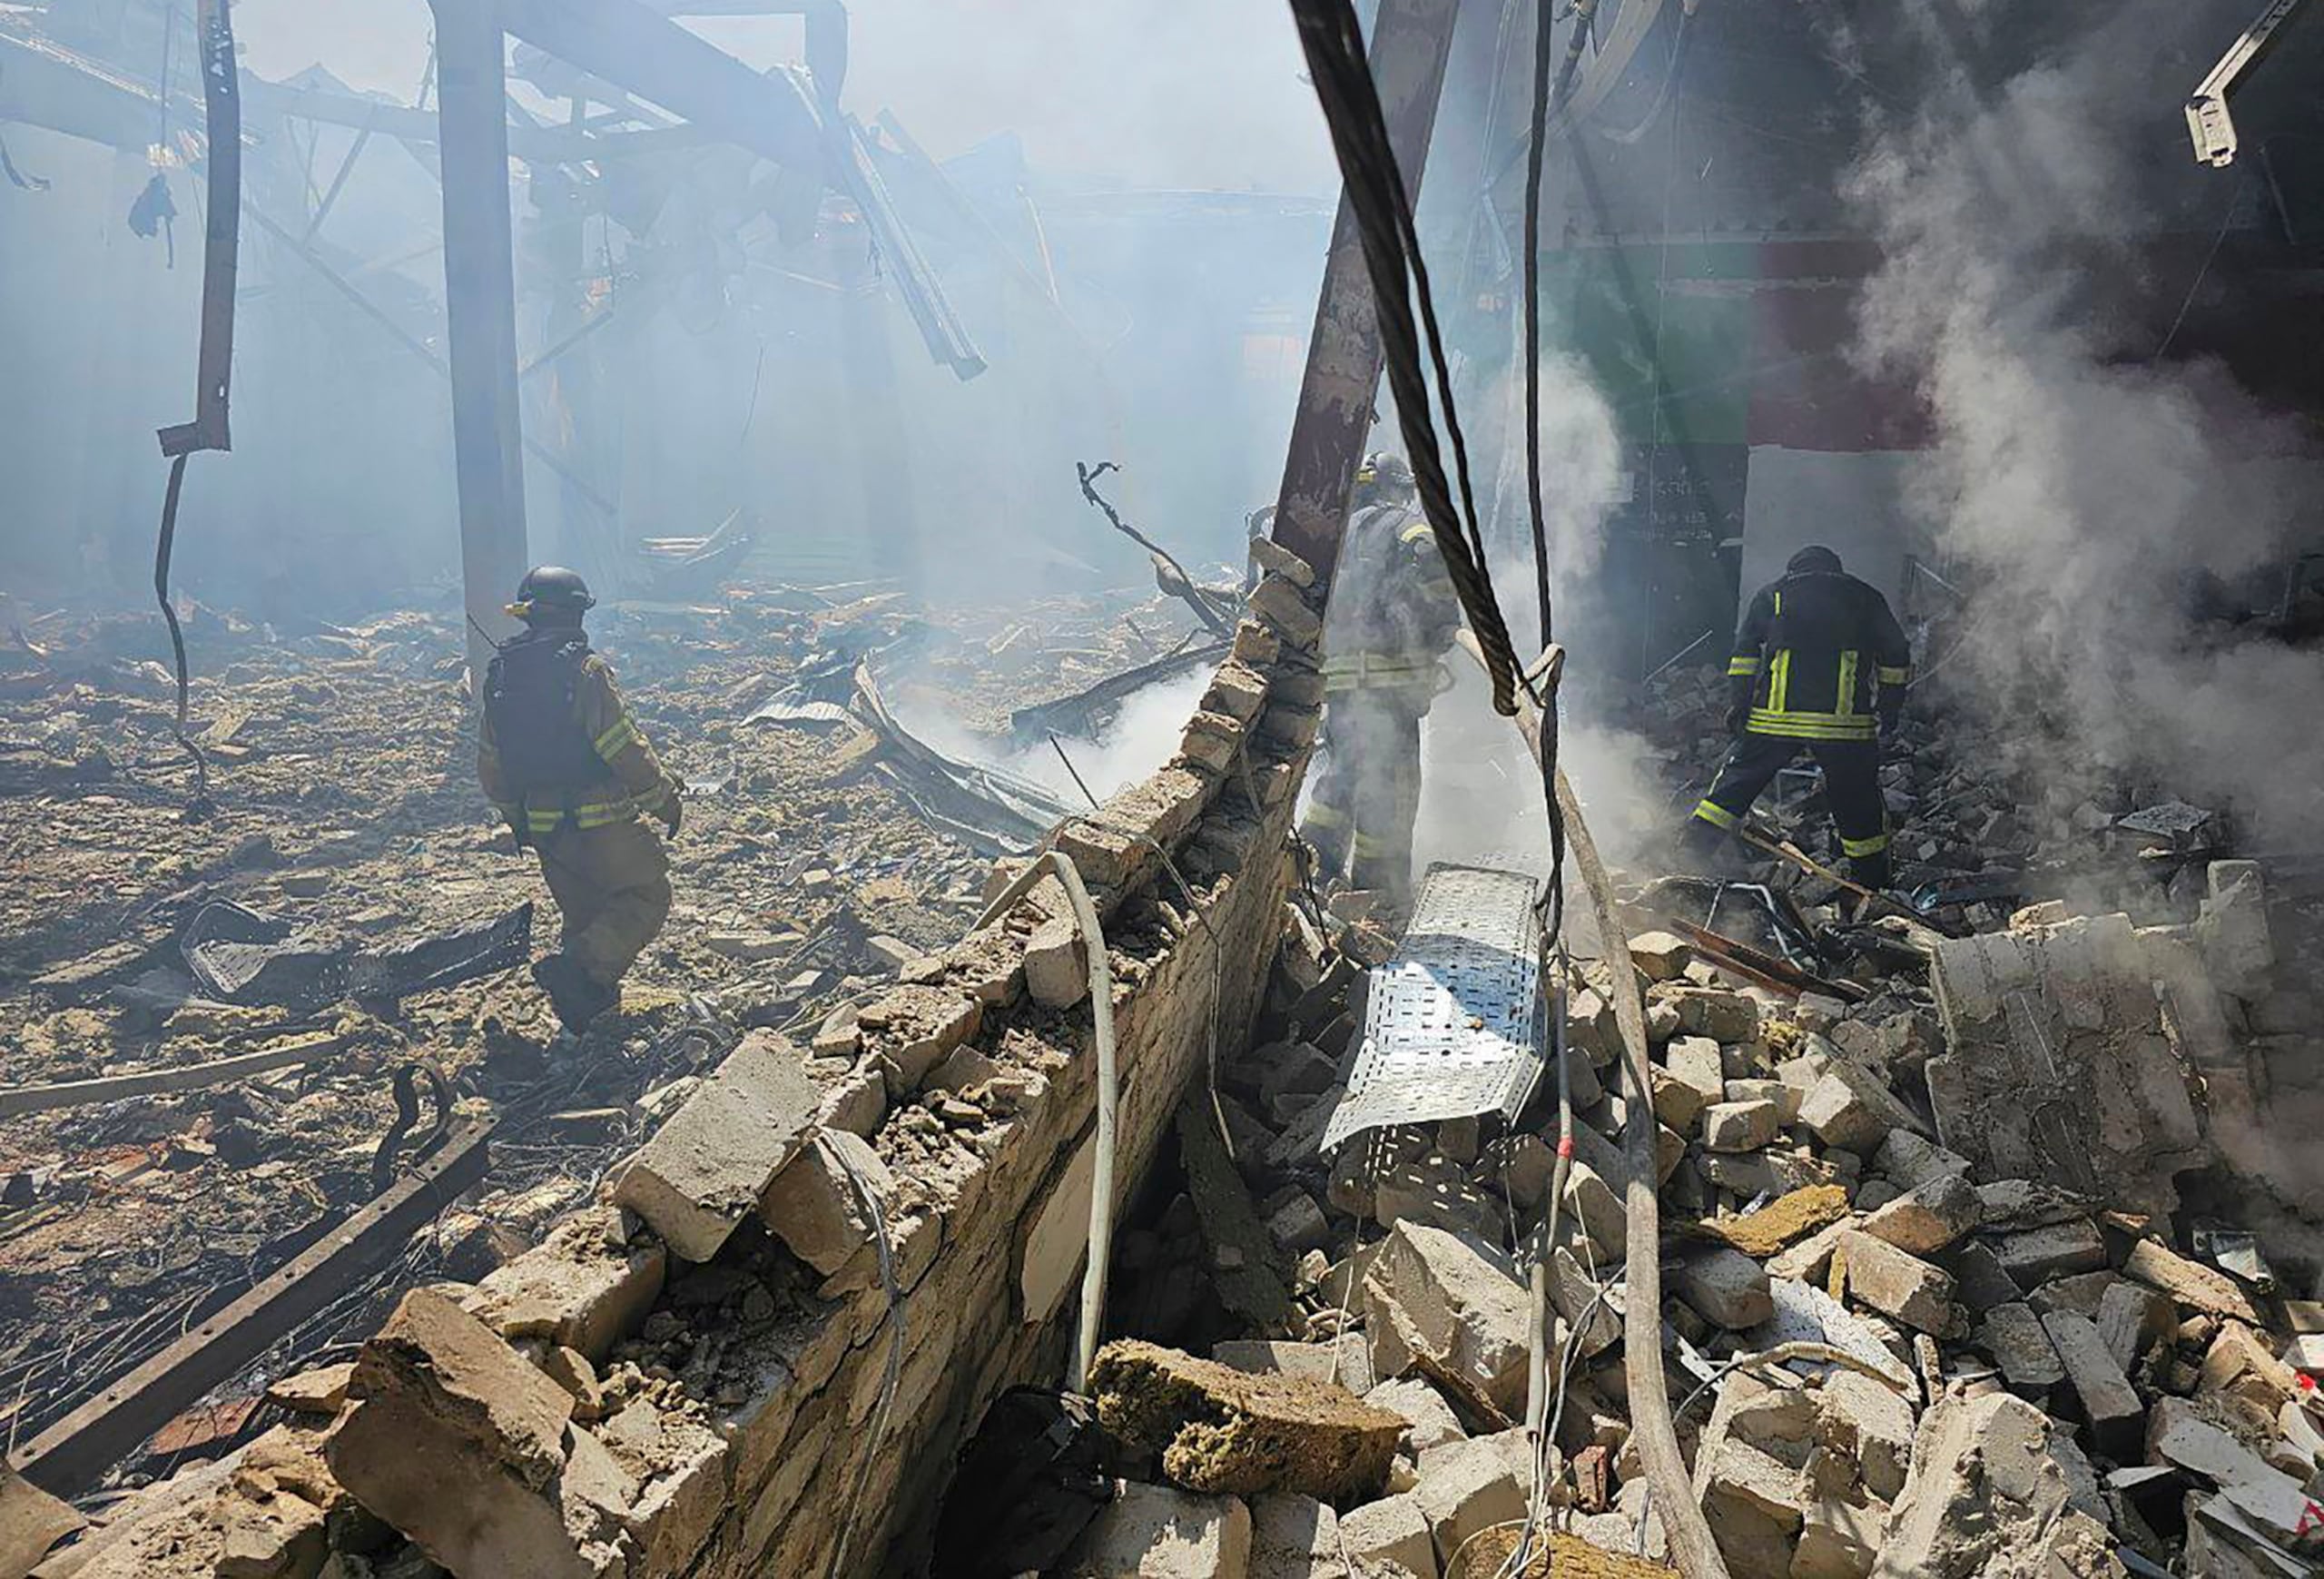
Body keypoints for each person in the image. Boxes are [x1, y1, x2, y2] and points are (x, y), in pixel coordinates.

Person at [478, 567, 682, 1031]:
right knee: (647, 897)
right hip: (604, 820)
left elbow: (491, 762)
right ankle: (575, 974)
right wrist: (662, 797)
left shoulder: (501, 674)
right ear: (576, 613)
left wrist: (518, 819)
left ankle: (589, 1025)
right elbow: (621, 745)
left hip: (546, 827)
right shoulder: (584, 670)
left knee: (585, 916)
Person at [1686, 545, 1912, 889]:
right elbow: (1895, 654)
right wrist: (1889, 707)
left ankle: (1687, 857)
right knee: (1857, 802)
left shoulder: (1773, 594)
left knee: (1733, 788)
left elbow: (1744, 655)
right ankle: (1870, 885)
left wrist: (1739, 704)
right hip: (1843, 727)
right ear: (1837, 570)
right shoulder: (1864, 596)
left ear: (1794, 569)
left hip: (1774, 723)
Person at [1298, 451, 1460, 909]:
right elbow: (1433, 562)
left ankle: (1313, 868)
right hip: (1389, 688)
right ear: (1394, 488)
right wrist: (1443, 623)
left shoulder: (1338, 533)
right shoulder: (1405, 525)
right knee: (1390, 786)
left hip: (1343, 683)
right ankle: (1379, 894)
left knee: (1341, 777)